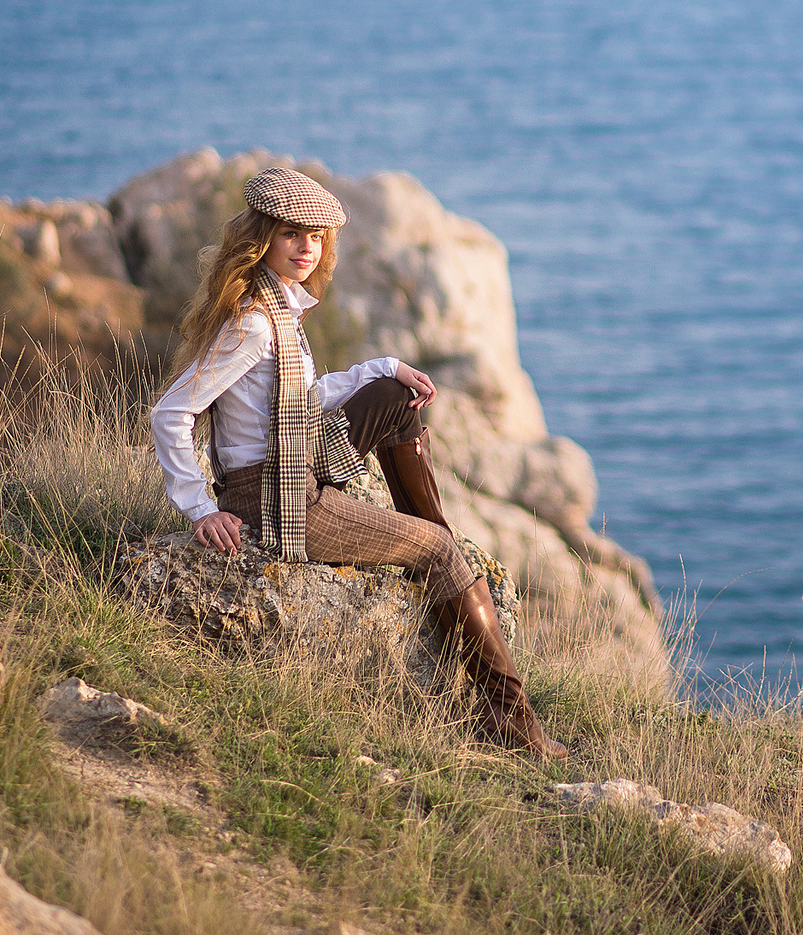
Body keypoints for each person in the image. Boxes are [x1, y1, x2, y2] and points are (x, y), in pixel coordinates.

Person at [149, 167, 566, 758]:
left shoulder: (277, 312)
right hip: (277, 499)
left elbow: (303, 398)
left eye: (315, 236)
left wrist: (381, 368)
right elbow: (170, 412)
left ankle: (436, 550)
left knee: (396, 399)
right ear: (261, 236)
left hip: (291, 466)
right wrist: (198, 507)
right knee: (442, 552)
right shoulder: (252, 324)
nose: (306, 248)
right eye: (292, 233)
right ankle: (514, 722)